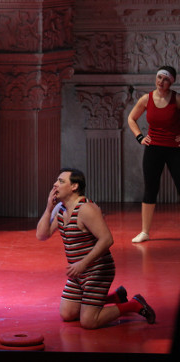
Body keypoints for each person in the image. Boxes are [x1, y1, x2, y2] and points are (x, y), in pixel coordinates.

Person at [36, 168, 156, 329]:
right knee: (67, 314)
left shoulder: (86, 209)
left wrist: (83, 264)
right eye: (57, 181)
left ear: (74, 186)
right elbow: (42, 235)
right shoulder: (61, 209)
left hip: (97, 270)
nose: (55, 184)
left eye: (61, 181)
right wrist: (49, 208)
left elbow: (107, 239)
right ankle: (115, 297)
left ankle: (133, 304)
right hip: (79, 273)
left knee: (89, 321)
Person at [127, 65, 180, 243]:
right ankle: (144, 232)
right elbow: (131, 118)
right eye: (159, 78)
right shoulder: (146, 99)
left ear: (171, 82)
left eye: (166, 79)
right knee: (150, 188)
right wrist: (140, 137)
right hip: (154, 149)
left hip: (175, 149)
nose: (161, 82)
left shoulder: (177, 99)